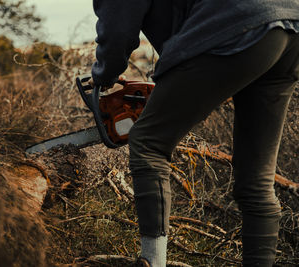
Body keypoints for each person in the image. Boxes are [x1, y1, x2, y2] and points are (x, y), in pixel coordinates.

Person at [90, 1, 299, 266]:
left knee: (148, 143)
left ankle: (153, 262)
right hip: (289, 25)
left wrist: (103, 76)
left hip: (239, 23)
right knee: (256, 181)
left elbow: (117, 32)